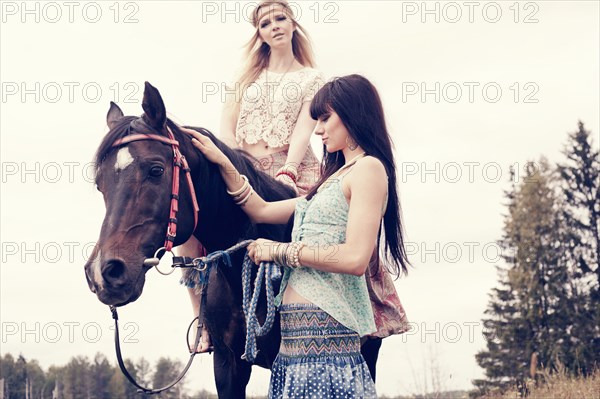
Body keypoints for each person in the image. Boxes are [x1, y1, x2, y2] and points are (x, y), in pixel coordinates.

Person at [182, 74, 410, 398]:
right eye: (317, 119)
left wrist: (281, 251)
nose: (318, 129)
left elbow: (356, 258)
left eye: (325, 118)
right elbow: (259, 209)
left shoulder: (368, 169)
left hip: (327, 337)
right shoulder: (331, 180)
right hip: (294, 344)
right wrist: (223, 160)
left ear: (354, 113)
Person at [178, 0, 324, 353]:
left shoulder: (312, 78)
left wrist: (288, 170)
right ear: (258, 34)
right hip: (242, 167)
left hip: (290, 167)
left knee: (318, 224)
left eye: (280, 18)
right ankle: (201, 317)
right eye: (264, 23)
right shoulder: (245, 79)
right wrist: (230, 166)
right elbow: (226, 131)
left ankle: (320, 311)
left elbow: (304, 129)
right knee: (192, 223)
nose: (273, 26)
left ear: (292, 24)